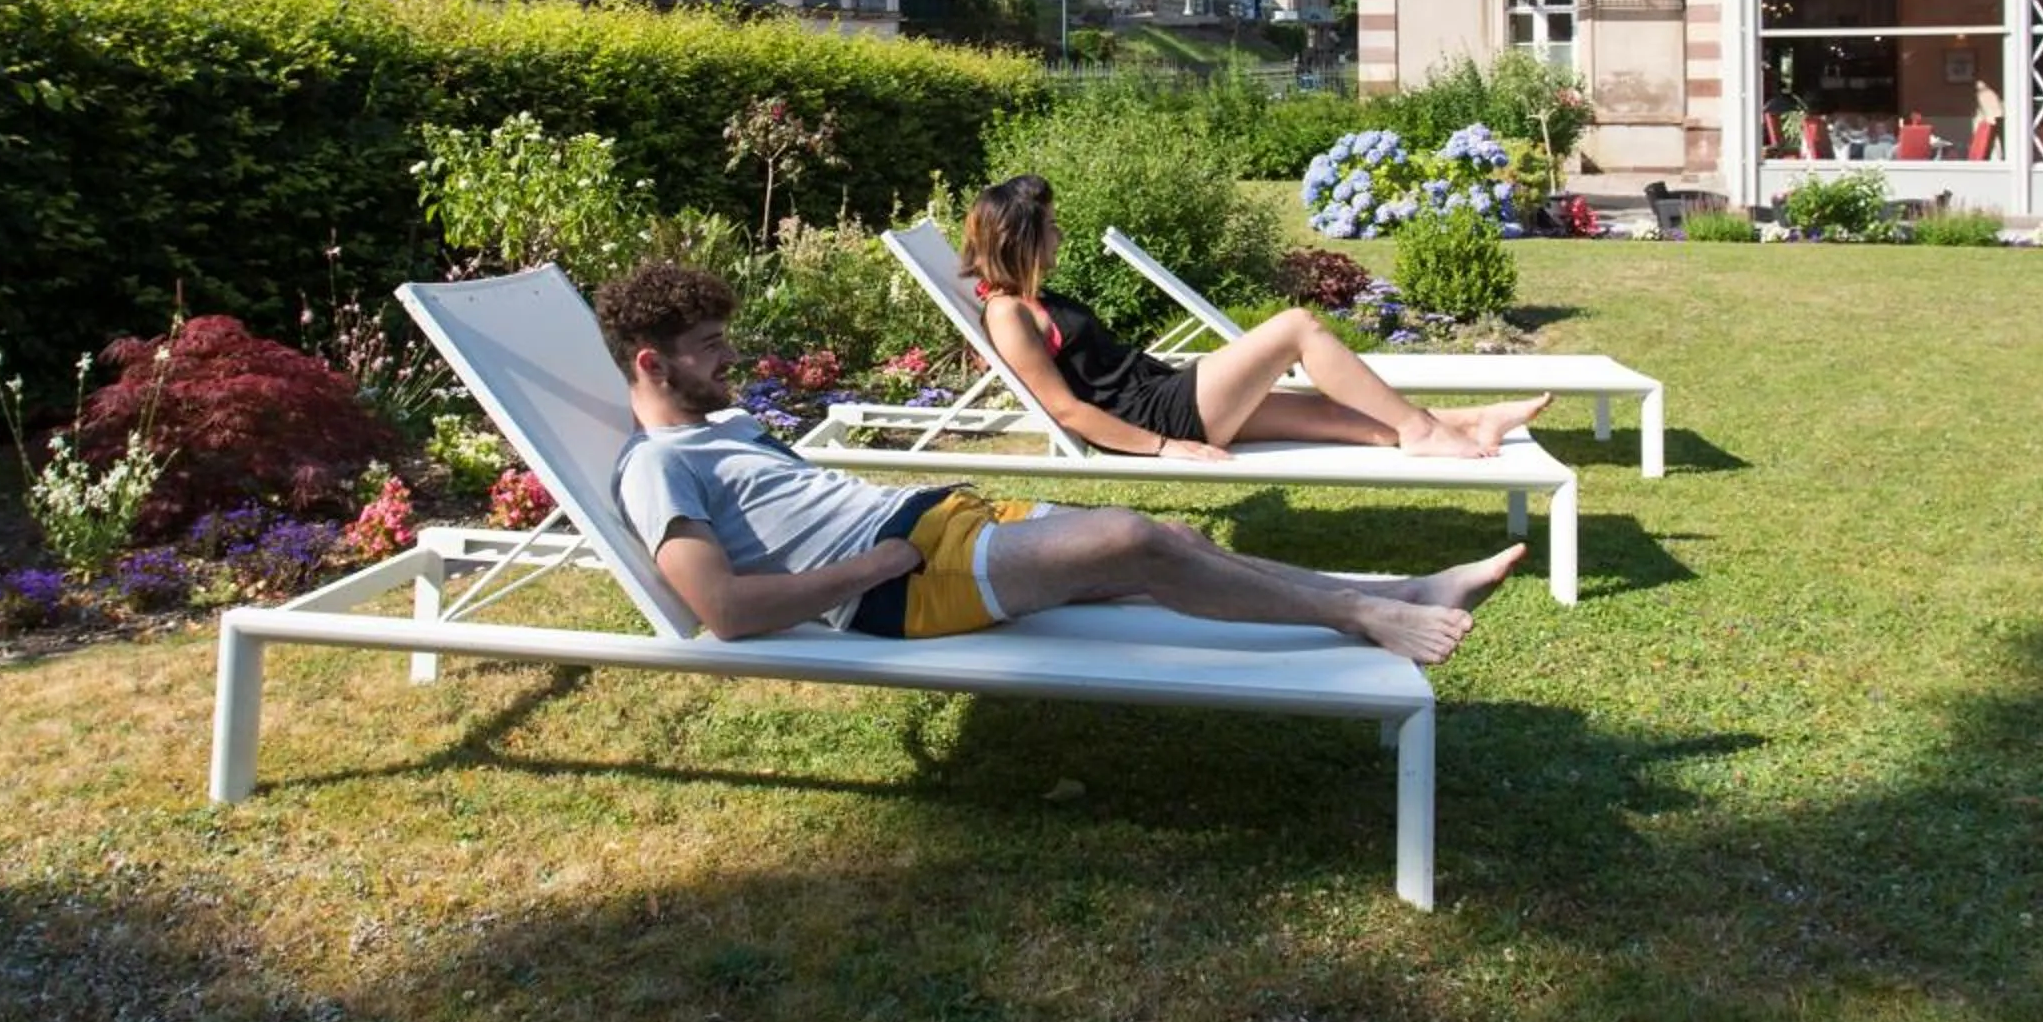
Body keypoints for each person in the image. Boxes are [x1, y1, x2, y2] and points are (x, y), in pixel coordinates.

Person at [599, 262, 1522, 664]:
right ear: (653, 363)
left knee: (1171, 536)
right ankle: (1367, 615)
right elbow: (724, 610)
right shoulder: (656, 469)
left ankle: (1407, 589)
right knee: (1128, 538)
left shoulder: (727, 430)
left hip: (938, 527)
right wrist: (877, 563)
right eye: (711, 347)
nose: (731, 358)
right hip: (901, 579)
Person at [963, 174, 1547, 464]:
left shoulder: (1029, 299)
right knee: (1297, 326)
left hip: (1166, 395)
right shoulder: (1008, 314)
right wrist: (1164, 447)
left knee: (1335, 418)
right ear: (1023, 238)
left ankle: (1474, 421)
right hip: (1160, 416)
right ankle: (1423, 431)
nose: (1060, 234)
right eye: (1051, 226)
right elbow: (1066, 410)